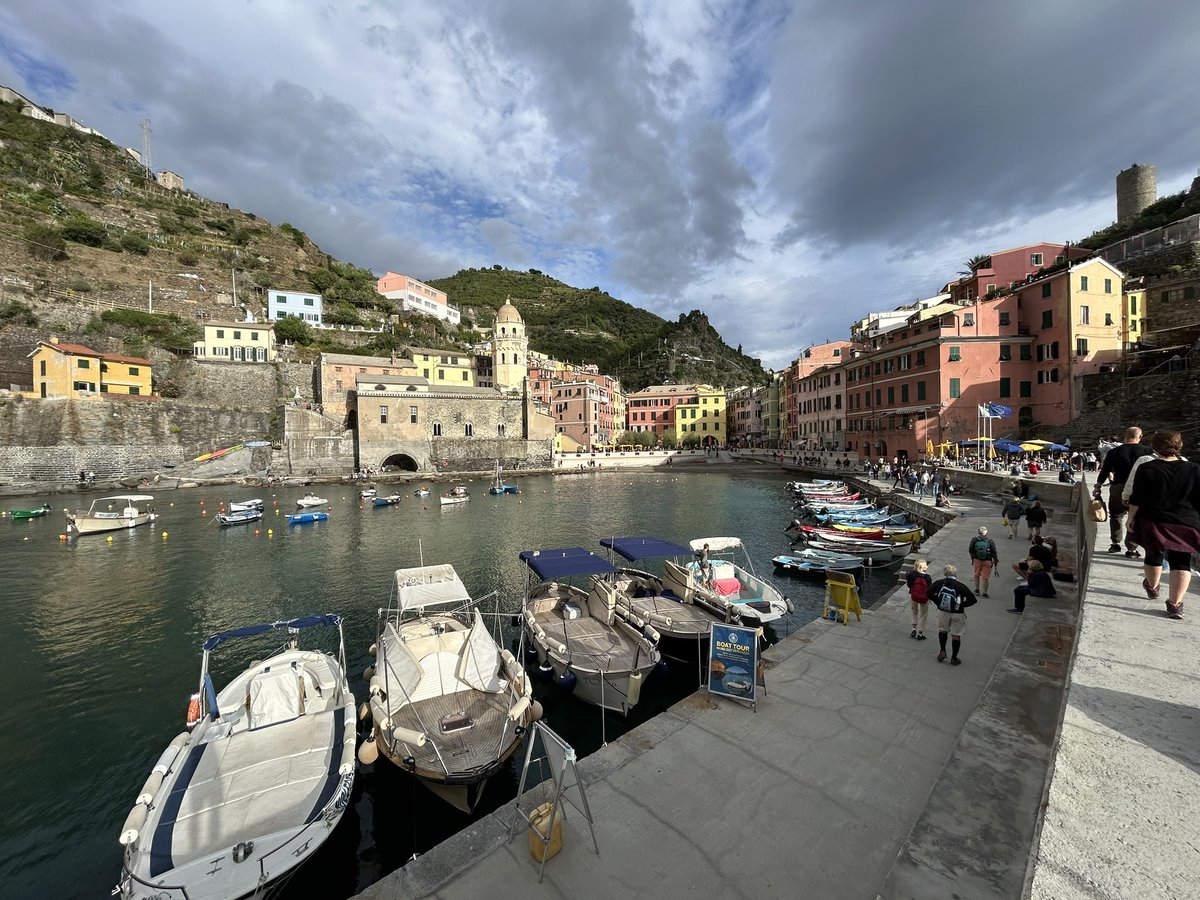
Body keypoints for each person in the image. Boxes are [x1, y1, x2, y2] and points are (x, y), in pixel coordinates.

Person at [1126, 430, 1200, 620]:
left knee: (1153, 555)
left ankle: (1152, 587)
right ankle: (1175, 604)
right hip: (1185, 522)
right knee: (1181, 562)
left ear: (1155, 447)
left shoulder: (1147, 468)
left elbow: (1137, 497)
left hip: (1154, 520)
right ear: (1179, 446)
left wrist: (1131, 517)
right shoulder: (1193, 468)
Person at [1093, 425, 1153, 557]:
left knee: (1116, 516)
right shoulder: (1148, 451)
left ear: (1125, 436)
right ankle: (1132, 549)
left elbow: (1105, 470)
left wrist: (1098, 485)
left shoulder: (1114, 452)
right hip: (1139, 488)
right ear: (1140, 436)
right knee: (1136, 517)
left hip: (1118, 486)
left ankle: (1115, 543)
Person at [930, 564, 977, 665]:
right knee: (956, 635)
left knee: (942, 631)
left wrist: (938, 602)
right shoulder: (961, 586)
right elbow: (973, 600)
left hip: (943, 611)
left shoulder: (939, 583)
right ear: (955, 574)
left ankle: (942, 651)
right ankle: (954, 658)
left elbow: (929, 593)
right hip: (957, 613)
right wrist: (961, 605)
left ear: (945, 573)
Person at [968, 526, 999, 597]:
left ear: (979, 533)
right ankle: (985, 593)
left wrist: (973, 557)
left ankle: (977, 590)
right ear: (986, 533)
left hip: (977, 560)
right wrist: (996, 560)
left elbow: (970, 549)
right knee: (985, 578)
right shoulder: (990, 541)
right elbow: (994, 552)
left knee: (976, 575)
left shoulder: (974, 539)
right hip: (987, 561)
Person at [906, 559, 932, 640]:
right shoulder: (928, 577)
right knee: (923, 615)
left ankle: (914, 629)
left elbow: (909, 584)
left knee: (914, 612)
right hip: (924, 598)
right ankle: (920, 633)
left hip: (914, 596)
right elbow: (930, 588)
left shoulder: (912, 574)